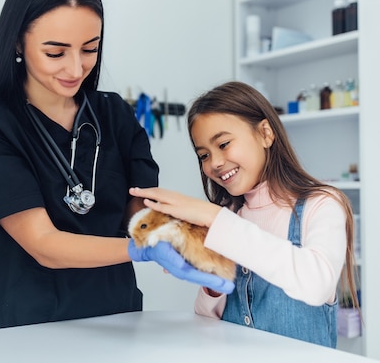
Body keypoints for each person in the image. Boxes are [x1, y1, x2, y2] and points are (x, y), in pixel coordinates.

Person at [0, 0, 231, 331]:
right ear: (19, 40)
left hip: (116, 316)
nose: (75, 69)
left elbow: (139, 206)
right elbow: (43, 244)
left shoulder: (114, 113)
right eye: (56, 52)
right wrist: (140, 250)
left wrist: (169, 233)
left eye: (90, 49)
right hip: (29, 324)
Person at [129, 81, 360, 348]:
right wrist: (212, 282)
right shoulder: (230, 215)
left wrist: (214, 217)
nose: (214, 163)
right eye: (203, 154)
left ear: (265, 133)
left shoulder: (322, 204)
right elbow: (206, 323)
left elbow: (317, 284)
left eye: (224, 144)